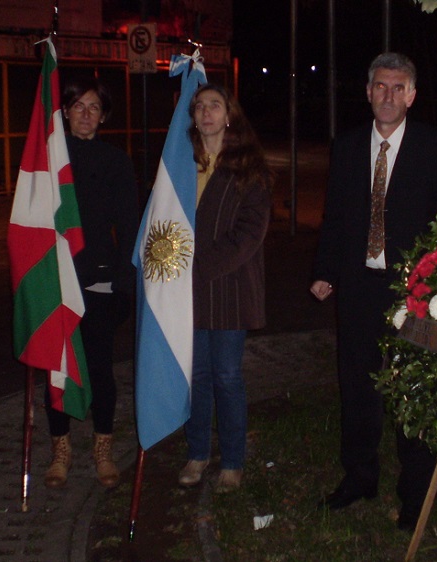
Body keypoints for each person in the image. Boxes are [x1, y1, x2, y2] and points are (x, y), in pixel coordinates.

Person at [310, 52, 437, 531]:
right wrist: (325, 269)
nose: (389, 95)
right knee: (357, 386)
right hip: (358, 288)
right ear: (369, 91)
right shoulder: (349, 144)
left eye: (399, 88)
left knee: (410, 391)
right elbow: (335, 214)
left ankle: (414, 494)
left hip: (412, 294)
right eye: (381, 86)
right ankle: (359, 477)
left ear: (412, 95)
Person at [176, 84, 272, 493]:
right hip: (188, 292)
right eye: (200, 106)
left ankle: (232, 461)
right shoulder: (182, 164)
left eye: (215, 105)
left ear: (229, 114)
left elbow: (249, 234)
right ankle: (198, 452)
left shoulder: (249, 168)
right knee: (196, 375)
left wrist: (196, 267)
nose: (206, 112)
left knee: (227, 375)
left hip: (230, 287)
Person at [44, 77, 140, 489]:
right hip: (58, 281)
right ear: (65, 111)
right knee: (58, 370)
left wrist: (122, 280)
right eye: (78, 105)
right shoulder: (47, 161)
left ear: (104, 117)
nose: (85, 113)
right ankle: (60, 450)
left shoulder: (116, 161)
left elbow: (129, 224)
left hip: (99, 283)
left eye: (94, 107)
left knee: (100, 369)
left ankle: (102, 449)